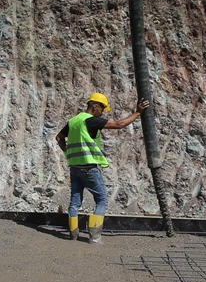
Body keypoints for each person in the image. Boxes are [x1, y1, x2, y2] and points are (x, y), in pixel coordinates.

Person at [56, 92, 149, 243]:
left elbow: (59, 137)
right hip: (89, 167)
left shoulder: (73, 121)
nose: (103, 112)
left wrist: (68, 153)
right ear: (95, 106)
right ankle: (95, 238)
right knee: (102, 200)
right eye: (103, 108)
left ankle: (73, 236)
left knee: (75, 202)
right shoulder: (91, 120)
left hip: (75, 167)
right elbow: (119, 124)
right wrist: (138, 112)